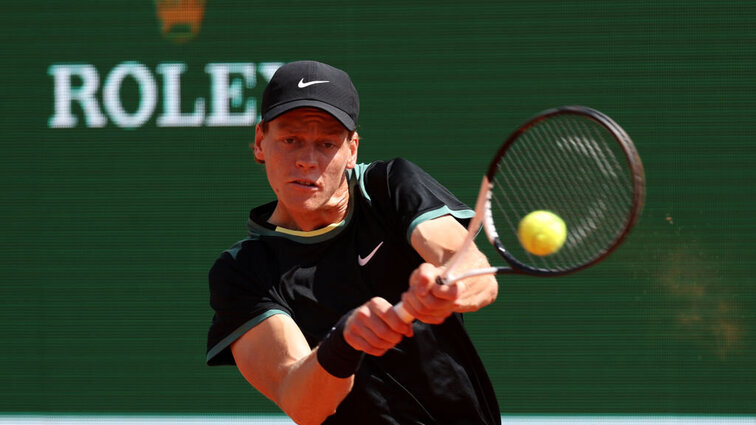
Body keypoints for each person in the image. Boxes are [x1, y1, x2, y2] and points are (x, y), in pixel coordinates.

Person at [206, 60, 501, 425]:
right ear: (259, 142)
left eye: (327, 143)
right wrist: (343, 345)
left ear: (352, 150)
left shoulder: (389, 187)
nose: (307, 161)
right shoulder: (242, 272)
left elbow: (473, 271)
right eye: (290, 140)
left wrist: (447, 289)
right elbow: (302, 403)